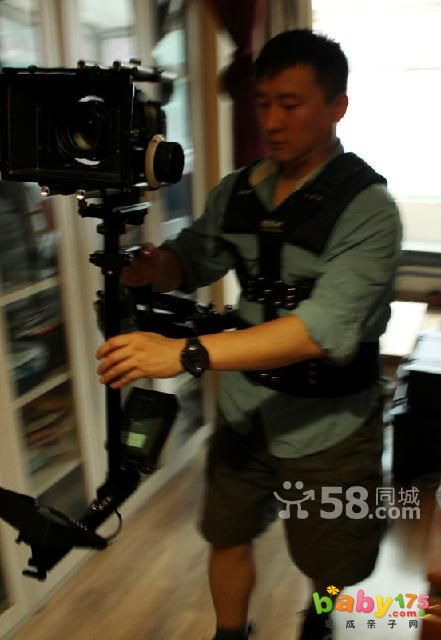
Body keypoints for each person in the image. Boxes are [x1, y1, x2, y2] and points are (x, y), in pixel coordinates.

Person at [96, 29, 402, 640]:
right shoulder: (236, 191)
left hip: (331, 428)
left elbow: (320, 331)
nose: (273, 120)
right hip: (244, 414)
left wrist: (185, 353)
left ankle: (320, 622)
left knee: (330, 563)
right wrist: (157, 269)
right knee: (225, 534)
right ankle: (230, 634)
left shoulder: (369, 210)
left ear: (337, 105)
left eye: (291, 103)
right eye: (264, 103)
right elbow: (195, 257)